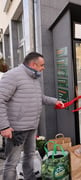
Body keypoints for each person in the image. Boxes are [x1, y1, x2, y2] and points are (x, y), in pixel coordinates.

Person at [0, 52, 64, 180]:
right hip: (16, 129)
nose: (43, 68)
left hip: (32, 125)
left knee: (29, 156)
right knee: (12, 163)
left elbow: (39, 98)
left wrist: (54, 101)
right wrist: (4, 126)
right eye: (42, 65)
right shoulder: (13, 76)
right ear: (33, 64)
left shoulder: (34, 78)